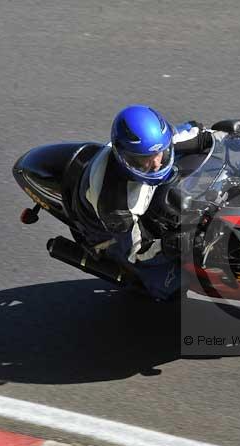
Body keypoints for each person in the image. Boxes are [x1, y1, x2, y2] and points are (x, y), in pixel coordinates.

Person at [74, 104, 215, 301]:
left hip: (143, 191)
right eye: (145, 159)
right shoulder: (116, 206)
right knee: (172, 284)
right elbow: (138, 252)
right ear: (124, 156)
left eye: (160, 153)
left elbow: (201, 135)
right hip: (111, 233)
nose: (157, 163)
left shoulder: (158, 143)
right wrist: (171, 244)